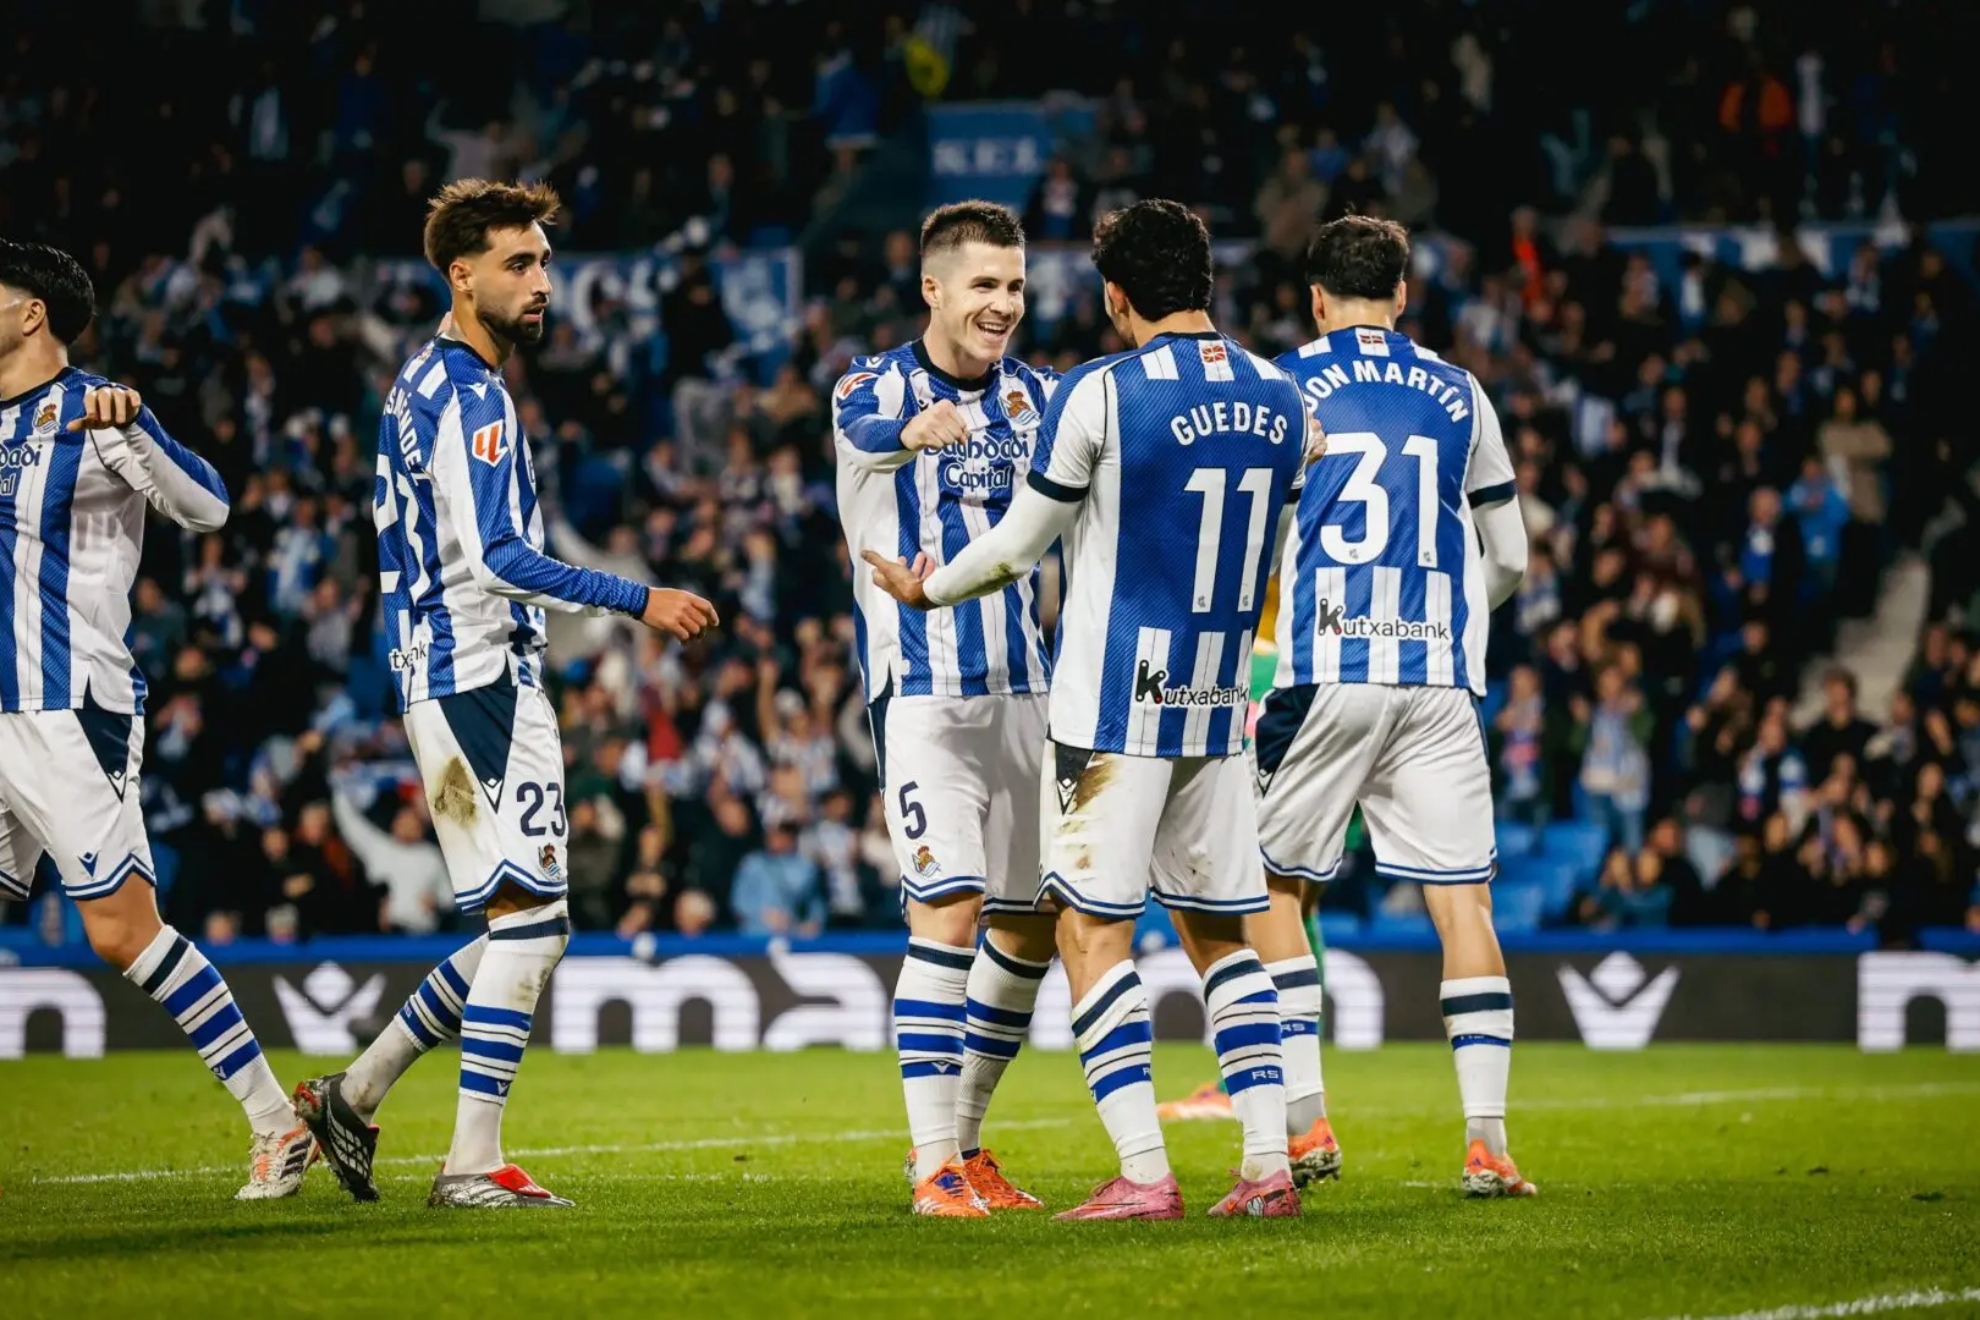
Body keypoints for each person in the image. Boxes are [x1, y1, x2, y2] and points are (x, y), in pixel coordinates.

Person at [865, 199, 1316, 1220]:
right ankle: (1264, 1169)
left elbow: (1022, 545)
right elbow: (1277, 552)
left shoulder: (1098, 394)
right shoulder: (1283, 397)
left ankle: (1146, 1174)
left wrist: (926, 590)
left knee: (1089, 936)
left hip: (1113, 708)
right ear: (1205, 279)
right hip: (1217, 703)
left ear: (1116, 297)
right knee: (1223, 940)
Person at [292, 180, 719, 1209]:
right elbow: (497, 557)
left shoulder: (422, 385)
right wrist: (638, 597)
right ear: (461, 274)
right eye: (518, 265)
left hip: (443, 671)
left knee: (514, 924)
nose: (541, 283)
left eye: (543, 262)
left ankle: (355, 1096)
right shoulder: (472, 396)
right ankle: (470, 1164)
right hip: (476, 674)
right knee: (537, 926)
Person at [0, 239, 313, 1198]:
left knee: (122, 933)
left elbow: (210, 508)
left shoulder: (95, 413)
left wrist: (134, 431)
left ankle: (278, 1124)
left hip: (67, 706)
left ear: (30, 314)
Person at [1252, 215, 1537, 1197]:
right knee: (1463, 902)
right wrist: (1451, 616)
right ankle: (1489, 1142)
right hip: (1439, 677)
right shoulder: (1463, 392)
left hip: (1325, 665)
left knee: (1271, 887)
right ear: (1405, 294)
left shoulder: (1280, 387)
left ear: (1317, 299)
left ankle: (1303, 1123)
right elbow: (1513, 559)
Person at [831, 200, 1061, 1217]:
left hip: (1027, 690)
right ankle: (932, 1168)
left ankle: (966, 1147)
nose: (1003, 304)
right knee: (949, 913)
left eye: (1013, 286)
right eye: (983, 285)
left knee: (1035, 925)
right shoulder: (870, 386)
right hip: (923, 691)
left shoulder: (1037, 398)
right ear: (933, 288)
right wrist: (910, 427)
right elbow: (863, 427)